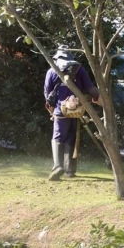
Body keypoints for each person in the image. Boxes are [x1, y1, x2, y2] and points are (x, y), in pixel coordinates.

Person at [43, 45, 100, 181]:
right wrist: (97, 99)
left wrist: (51, 110)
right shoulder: (80, 69)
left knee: (58, 137)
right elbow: (90, 88)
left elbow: (47, 95)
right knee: (71, 137)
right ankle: (70, 170)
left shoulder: (52, 71)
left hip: (60, 110)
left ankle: (58, 166)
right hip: (77, 110)